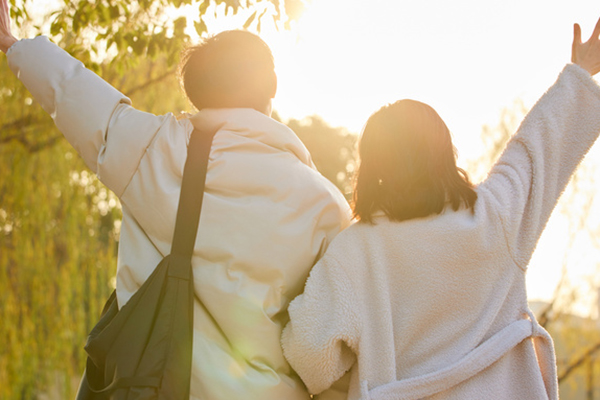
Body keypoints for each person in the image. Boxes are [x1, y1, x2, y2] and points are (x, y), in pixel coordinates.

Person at [0, 1, 352, 399]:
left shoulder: (155, 150)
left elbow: (73, 92)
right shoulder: (327, 205)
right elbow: (327, 343)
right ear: (271, 87)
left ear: (196, 90)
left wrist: (15, 45)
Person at [281, 17, 600, 400]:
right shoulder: (494, 217)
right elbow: (537, 148)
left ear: (372, 166)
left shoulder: (355, 251)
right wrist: (580, 74)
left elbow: (310, 359)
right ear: (445, 152)